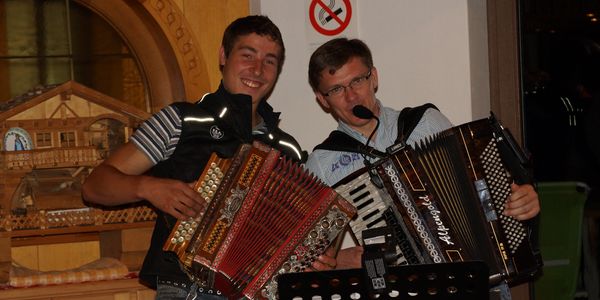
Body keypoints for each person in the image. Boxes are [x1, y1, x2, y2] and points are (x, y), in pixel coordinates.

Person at [82, 15, 307, 300]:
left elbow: (295, 231)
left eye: (269, 61)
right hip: (189, 291)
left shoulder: (287, 150)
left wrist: (308, 256)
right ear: (223, 56)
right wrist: (148, 188)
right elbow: (94, 186)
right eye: (247, 55)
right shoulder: (181, 120)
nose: (257, 69)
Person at [305, 37, 541, 300]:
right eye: (336, 89)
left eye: (357, 81)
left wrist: (522, 201)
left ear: (374, 77)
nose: (351, 96)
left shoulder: (425, 123)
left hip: (477, 285)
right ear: (322, 100)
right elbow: (309, 256)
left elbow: (481, 195)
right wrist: (339, 261)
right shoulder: (322, 163)